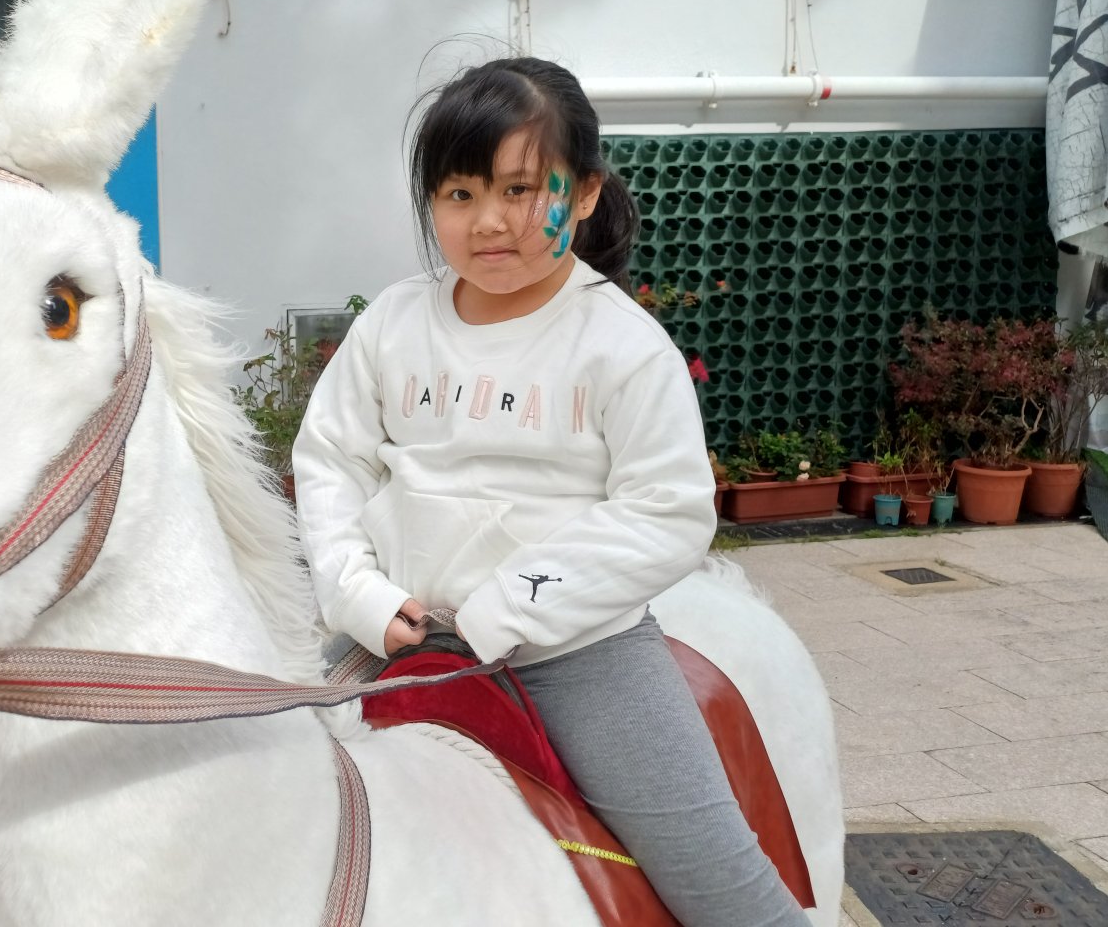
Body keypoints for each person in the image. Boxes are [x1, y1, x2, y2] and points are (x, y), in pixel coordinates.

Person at [292, 57, 807, 926]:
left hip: (578, 656)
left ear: (586, 192)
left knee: (721, 890)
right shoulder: (392, 324)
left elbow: (668, 512)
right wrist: (358, 594)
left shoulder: (621, 345)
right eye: (459, 194)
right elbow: (329, 461)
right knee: (259, 789)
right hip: (392, 637)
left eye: (521, 191)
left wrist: (511, 605)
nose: (489, 221)